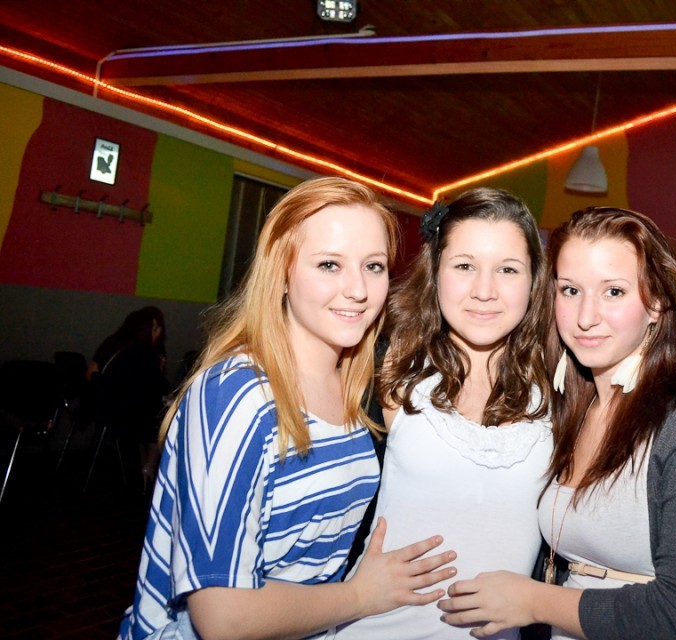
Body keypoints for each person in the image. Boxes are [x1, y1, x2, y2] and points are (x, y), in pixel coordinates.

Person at [118, 177, 456, 640]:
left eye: (373, 266)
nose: (358, 289)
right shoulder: (237, 393)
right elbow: (223, 616)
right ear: (281, 272)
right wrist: (361, 595)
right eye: (329, 264)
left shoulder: (352, 387)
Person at [438, 206, 676, 639]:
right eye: (570, 290)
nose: (586, 317)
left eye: (614, 292)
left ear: (657, 302)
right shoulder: (566, 408)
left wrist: (531, 600)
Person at [334, 188, 555, 640]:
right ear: (436, 272)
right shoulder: (388, 367)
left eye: (508, 269)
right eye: (464, 266)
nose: (484, 291)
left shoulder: (562, 387)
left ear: (534, 281)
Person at [91, 306, 169, 491]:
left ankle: (143, 469)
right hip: (126, 416)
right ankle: (149, 469)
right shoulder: (144, 354)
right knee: (160, 419)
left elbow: (91, 373)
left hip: (104, 410)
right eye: (155, 328)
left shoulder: (114, 343)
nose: (158, 332)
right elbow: (155, 388)